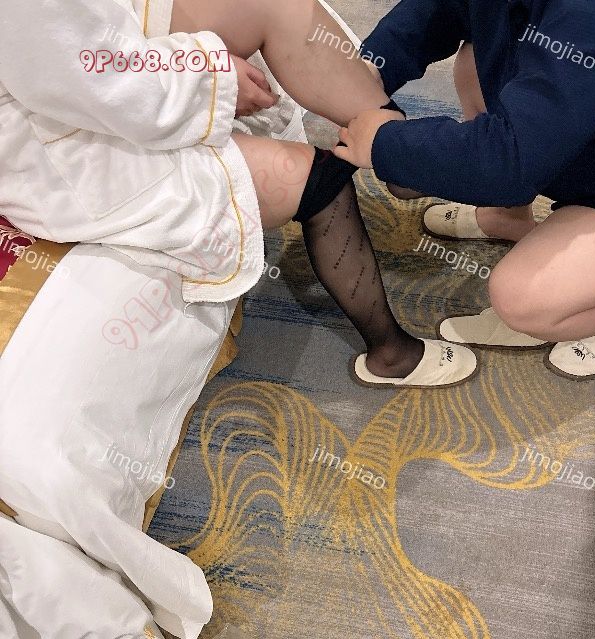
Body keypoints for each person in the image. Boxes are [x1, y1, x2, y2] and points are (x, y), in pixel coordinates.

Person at [0, 0, 476, 388]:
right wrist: (209, 77)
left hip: (96, 46)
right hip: (61, 128)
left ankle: (401, 155)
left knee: (278, 6)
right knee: (319, 181)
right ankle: (391, 355)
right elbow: (90, 78)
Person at [335, 0, 595, 379]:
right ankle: (505, 215)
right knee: (480, 54)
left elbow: (512, 162)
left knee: (520, 297)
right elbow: (442, 9)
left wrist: (387, 146)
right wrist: (373, 66)